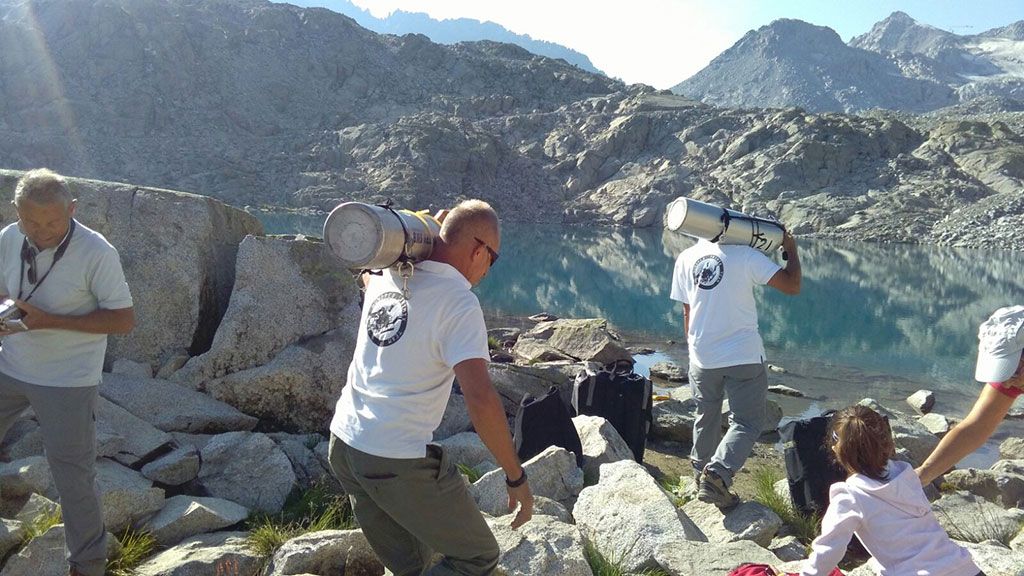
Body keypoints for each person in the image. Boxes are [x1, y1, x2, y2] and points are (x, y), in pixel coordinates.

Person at [328, 199, 532, 576]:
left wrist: (417, 239)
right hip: (394, 457)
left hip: (344, 444)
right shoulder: (459, 303)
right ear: (478, 250)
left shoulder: (387, 274)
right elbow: (481, 399)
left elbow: (365, 272)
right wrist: (515, 477)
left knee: (412, 565)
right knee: (477, 557)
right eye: (493, 259)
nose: (487, 272)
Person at [0, 169, 135, 576]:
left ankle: (88, 566)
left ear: (72, 210)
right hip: (8, 365)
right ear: (15, 212)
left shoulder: (98, 252)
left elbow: (124, 319)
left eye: (52, 222)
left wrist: (50, 321)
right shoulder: (8, 236)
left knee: (73, 476)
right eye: (31, 221)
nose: (41, 231)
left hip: (67, 381)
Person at [670, 232, 800, 508]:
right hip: (743, 355)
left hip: (702, 356)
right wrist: (791, 250)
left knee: (706, 414)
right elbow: (792, 286)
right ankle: (717, 474)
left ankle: (699, 476)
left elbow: (687, 311)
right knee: (748, 422)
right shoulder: (745, 255)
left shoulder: (685, 258)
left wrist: (694, 349)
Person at [796, 405, 983, 576]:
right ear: (887, 443)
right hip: (965, 568)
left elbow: (829, 549)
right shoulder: (905, 475)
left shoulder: (849, 496)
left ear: (837, 448)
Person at [916, 305, 1024, 485]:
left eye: (1010, 371)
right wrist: (921, 476)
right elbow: (975, 428)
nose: (1005, 383)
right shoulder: (1016, 377)